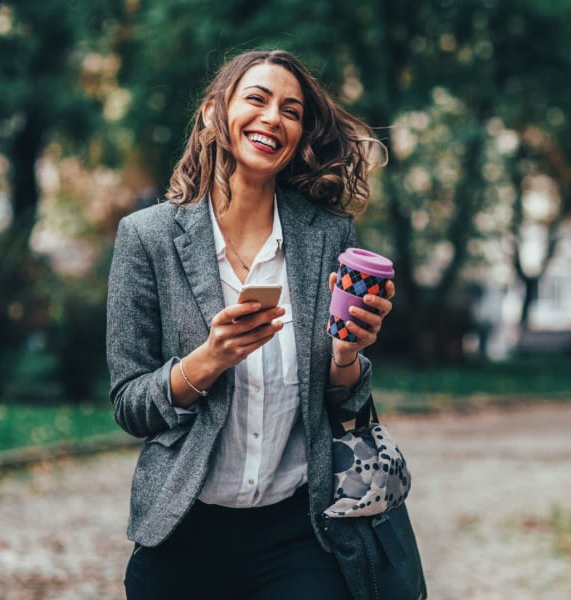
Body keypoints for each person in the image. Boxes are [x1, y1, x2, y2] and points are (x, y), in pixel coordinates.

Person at [106, 49, 393, 599]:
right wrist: (209, 358)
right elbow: (129, 404)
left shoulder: (329, 236)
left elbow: (347, 404)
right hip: (186, 531)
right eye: (256, 99)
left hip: (299, 533)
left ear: (300, 134)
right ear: (215, 114)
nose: (272, 118)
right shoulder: (148, 238)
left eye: (290, 110)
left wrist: (348, 355)